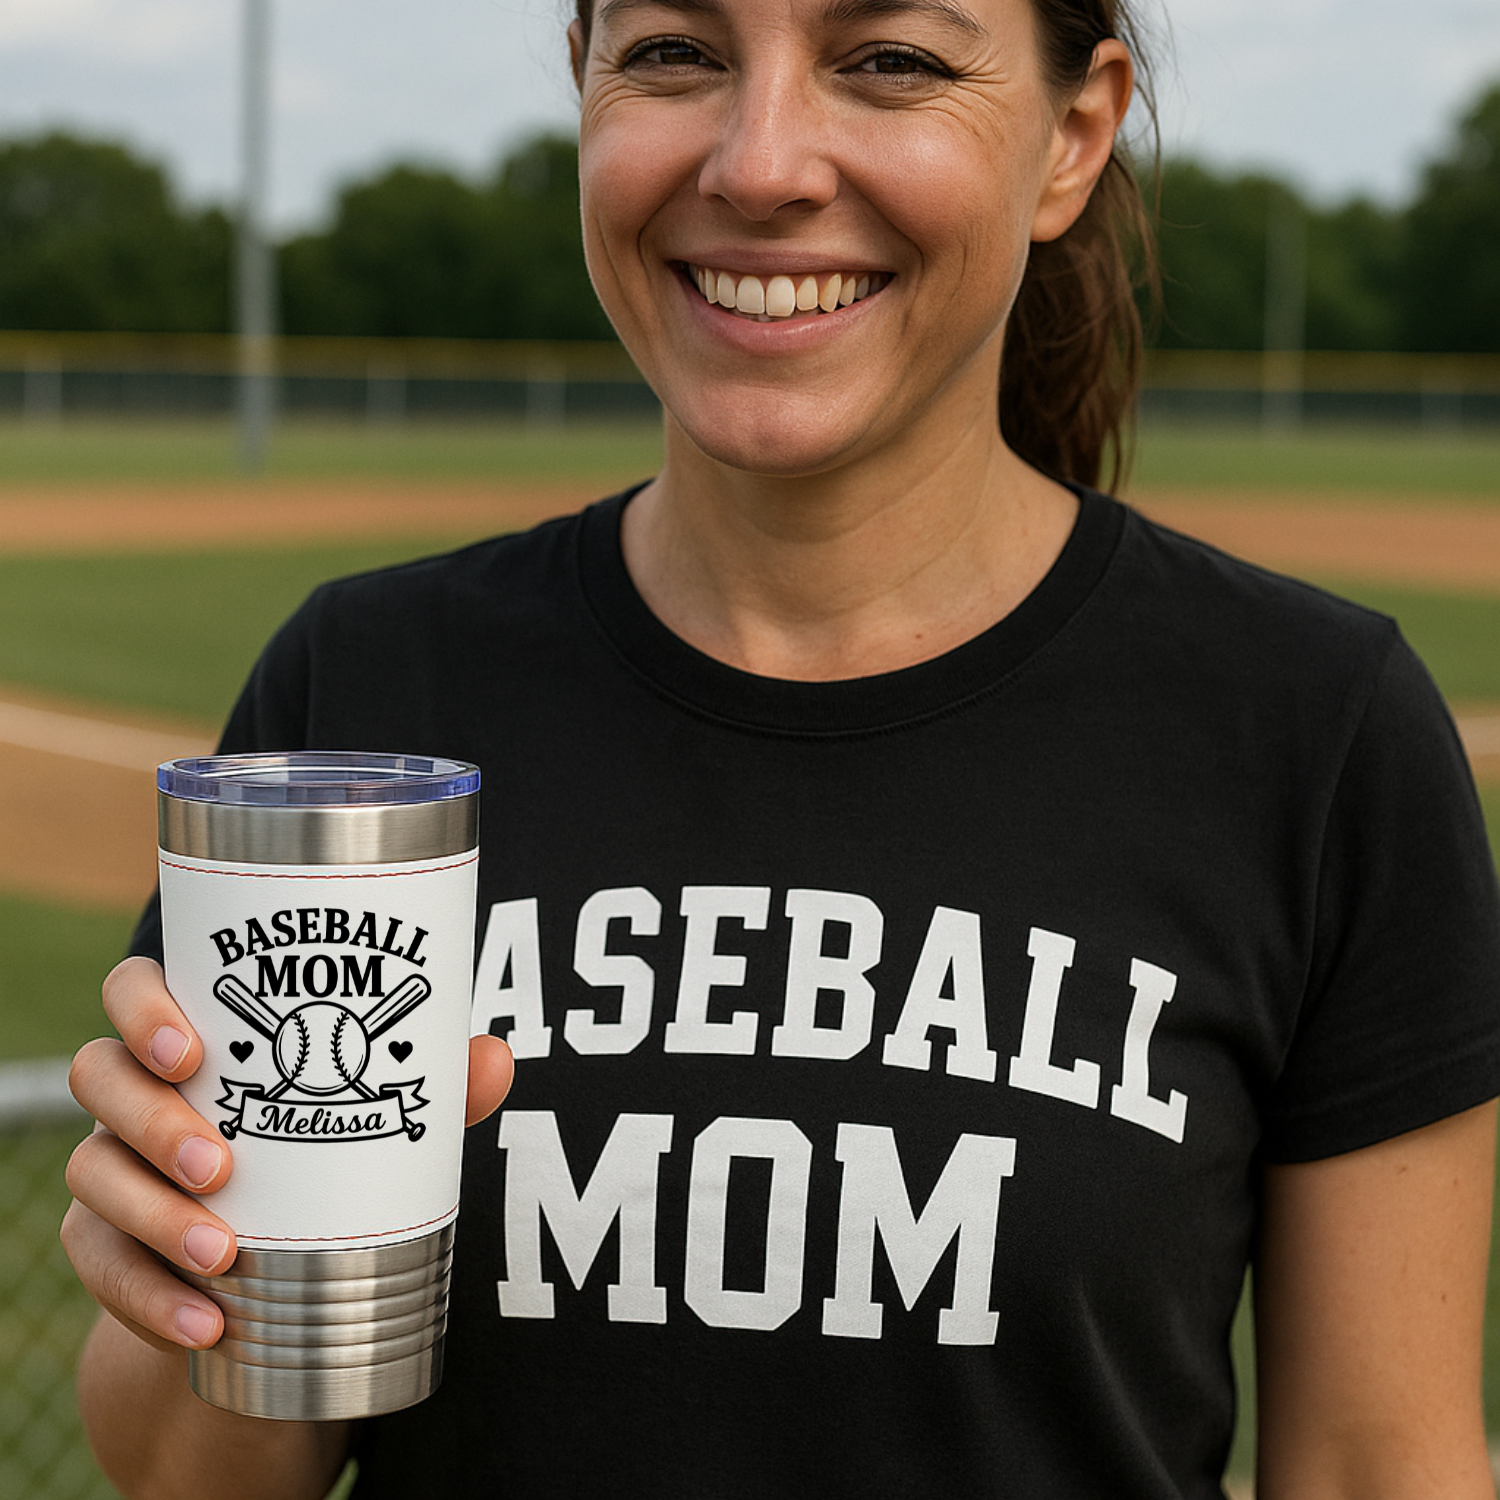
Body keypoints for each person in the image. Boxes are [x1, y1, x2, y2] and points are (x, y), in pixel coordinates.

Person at [62, 0, 1500, 1494]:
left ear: (1072, 136)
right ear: (585, 88)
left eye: (891, 61)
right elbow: (201, 1476)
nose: (762, 165)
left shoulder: (1311, 728)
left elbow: (1375, 1465)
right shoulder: (368, 705)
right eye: (676, 53)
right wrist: (197, 1268)